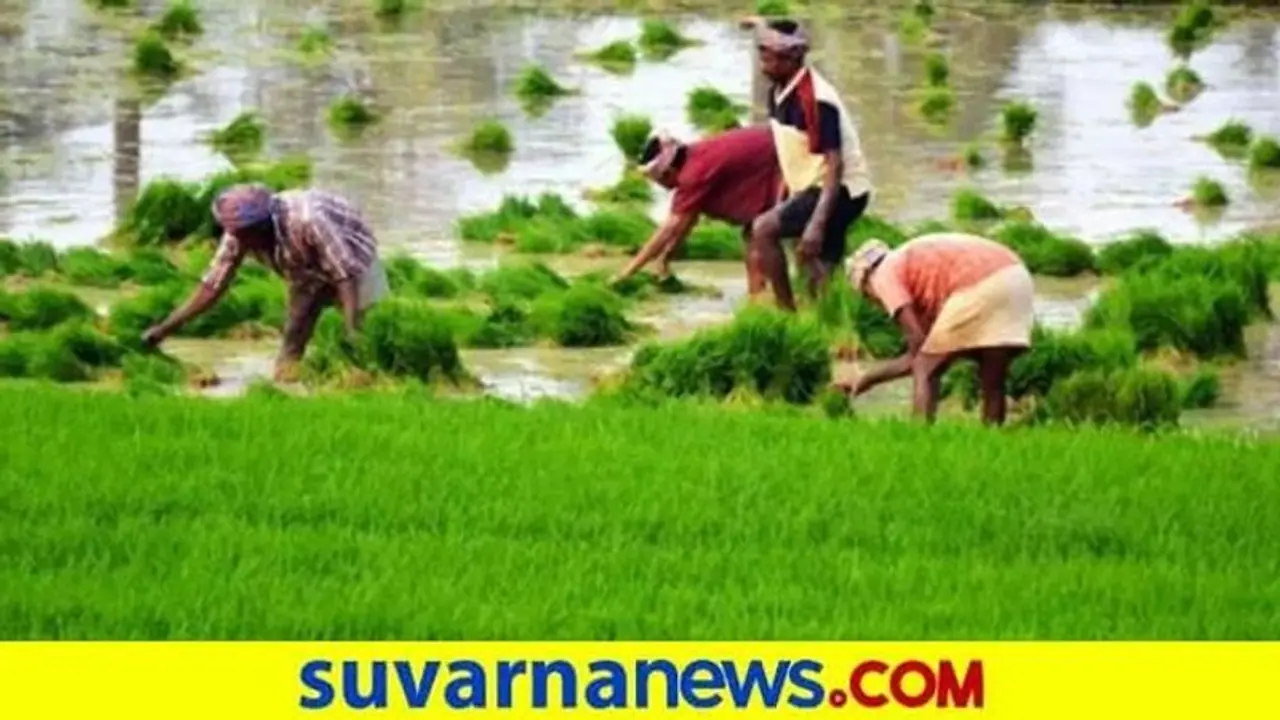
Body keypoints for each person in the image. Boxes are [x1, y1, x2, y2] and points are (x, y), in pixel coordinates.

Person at [141, 183, 388, 381]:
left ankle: (374, 373)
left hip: (352, 253)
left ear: (263, 225)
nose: (239, 240)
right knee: (294, 330)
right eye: (235, 233)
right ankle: (288, 376)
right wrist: (164, 329)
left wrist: (352, 331)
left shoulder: (308, 220)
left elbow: (345, 274)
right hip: (301, 266)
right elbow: (213, 286)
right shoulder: (239, 233)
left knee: (369, 329)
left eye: (246, 234)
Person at [836, 233, 1036, 426]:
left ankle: (920, 436)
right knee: (992, 376)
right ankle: (993, 438)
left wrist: (869, 379)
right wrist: (867, 379)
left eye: (867, 295)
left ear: (865, 280)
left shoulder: (883, 274)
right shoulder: (915, 266)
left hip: (979, 284)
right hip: (1016, 277)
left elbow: (918, 349)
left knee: (926, 369)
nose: (875, 302)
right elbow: (923, 352)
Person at [743, 16, 873, 311]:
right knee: (819, 276)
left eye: (772, 57)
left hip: (841, 190)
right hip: (814, 185)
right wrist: (782, 203)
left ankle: (786, 314)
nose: (764, 63)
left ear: (794, 58)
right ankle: (838, 321)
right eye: (761, 54)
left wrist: (815, 224)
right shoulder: (777, 91)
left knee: (762, 230)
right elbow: (790, 152)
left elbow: (835, 163)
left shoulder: (815, 100)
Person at [611, 126, 782, 294]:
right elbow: (688, 218)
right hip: (769, 149)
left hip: (781, 159)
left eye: (659, 181)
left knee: (757, 236)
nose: (663, 188)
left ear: (669, 172)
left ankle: (765, 298)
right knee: (753, 234)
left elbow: (669, 228)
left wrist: (626, 273)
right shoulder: (694, 155)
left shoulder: (693, 175)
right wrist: (664, 259)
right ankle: (758, 297)